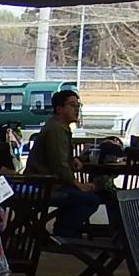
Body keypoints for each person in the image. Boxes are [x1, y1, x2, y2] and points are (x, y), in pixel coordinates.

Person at [23, 88, 103, 236]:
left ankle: (65, 229)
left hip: (50, 183)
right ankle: (63, 233)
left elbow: (60, 159)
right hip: (44, 185)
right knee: (91, 199)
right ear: (59, 108)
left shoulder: (60, 127)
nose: (76, 109)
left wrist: (72, 160)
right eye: (72, 105)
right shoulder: (56, 130)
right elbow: (59, 166)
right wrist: (79, 185)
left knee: (90, 194)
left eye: (78, 106)